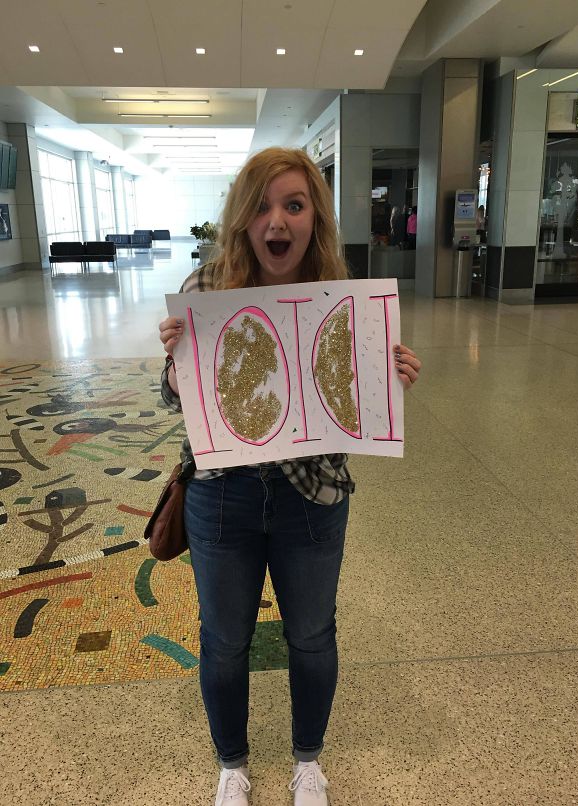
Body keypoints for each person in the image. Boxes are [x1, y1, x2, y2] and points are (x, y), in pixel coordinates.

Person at [158, 147, 422, 806]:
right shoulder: (205, 290)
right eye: (262, 206)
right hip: (223, 496)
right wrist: (173, 368)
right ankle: (232, 765)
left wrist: (389, 378)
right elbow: (172, 400)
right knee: (224, 639)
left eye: (294, 205)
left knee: (310, 634)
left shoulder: (340, 292)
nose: (277, 219)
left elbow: (353, 398)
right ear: (243, 219)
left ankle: (308, 761)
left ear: (312, 218)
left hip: (313, 497)